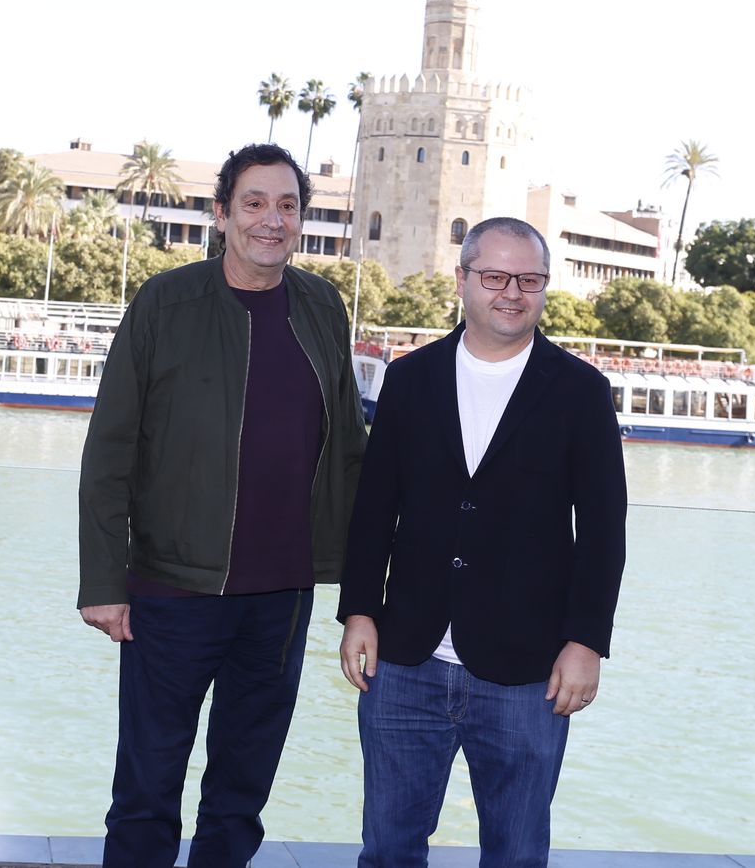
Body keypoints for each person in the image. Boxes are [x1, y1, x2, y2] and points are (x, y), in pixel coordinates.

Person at [77, 142, 367, 867]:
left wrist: (363, 588)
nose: (272, 220)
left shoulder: (322, 307)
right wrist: (103, 583)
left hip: (281, 598)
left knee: (241, 792)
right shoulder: (164, 304)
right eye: (255, 203)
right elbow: (111, 449)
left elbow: (351, 456)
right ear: (222, 214)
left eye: (288, 205)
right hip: (173, 590)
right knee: (147, 790)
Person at [337, 217, 627, 866]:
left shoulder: (581, 392)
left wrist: (586, 643)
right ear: (463, 279)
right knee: (387, 850)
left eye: (529, 280)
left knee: (517, 854)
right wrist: (359, 610)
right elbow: (374, 508)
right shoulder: (409, 380)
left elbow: (604, 531)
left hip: (528, 672)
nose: (512, 292)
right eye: (494, 276)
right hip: (405, 660)